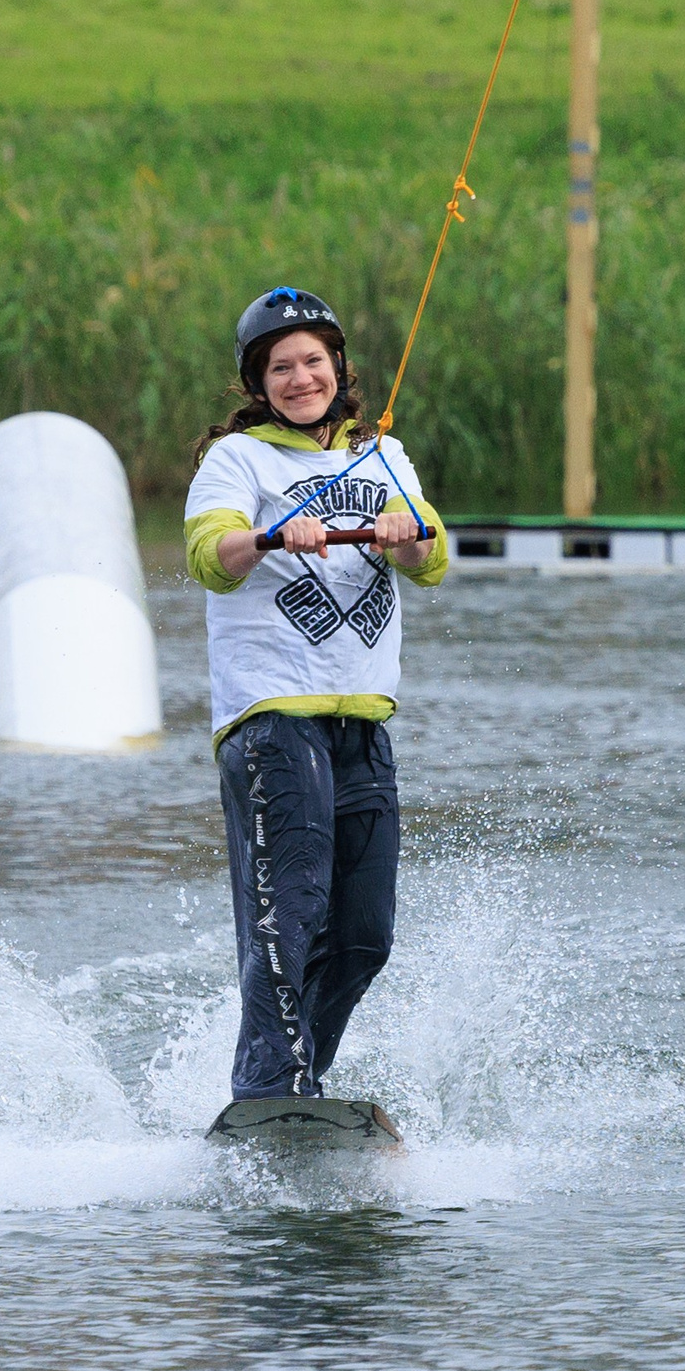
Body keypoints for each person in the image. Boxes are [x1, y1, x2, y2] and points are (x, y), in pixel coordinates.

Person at [184, 287, 449, 1101]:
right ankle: (271, 1092)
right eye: (280, 367)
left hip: (362, 724)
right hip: (273, 724)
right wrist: (268, 533)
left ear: (338, 366)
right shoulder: (239, 463)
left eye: (313, 361)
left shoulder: (382, 456)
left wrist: (408, 536)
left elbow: (433, 559)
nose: (301, 377)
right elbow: (207, 554)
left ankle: (300, 1081)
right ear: (258, 385)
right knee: (289, 915)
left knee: (365, 937)